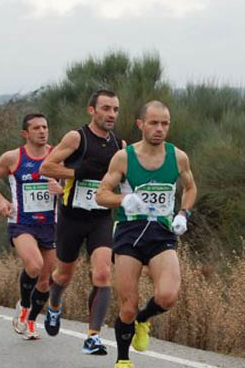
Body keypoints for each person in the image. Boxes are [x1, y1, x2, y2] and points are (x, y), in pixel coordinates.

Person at [95, 100, 197, 368]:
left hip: (162, 234)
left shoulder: (178, 157)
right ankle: (123, 360)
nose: (159, 129)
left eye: (165, 123)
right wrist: (123, 201)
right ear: (141, 124)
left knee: (168, 296)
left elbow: (190, 188)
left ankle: (144, 319)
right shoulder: (124, 157)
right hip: (129, 234)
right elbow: (101, 194)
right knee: (128, 305)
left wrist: (183, 214)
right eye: (153, 123)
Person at [40, 89, 124, 355]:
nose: (111, 114)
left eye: (115, 110)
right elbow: (46, 167)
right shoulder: (77, 137)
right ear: (92, 110)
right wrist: (76, 172)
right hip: (71, 218)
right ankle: (54, 305)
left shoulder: (120, 145)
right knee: (64, 274)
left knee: (102, 273)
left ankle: (93, 336)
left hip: (100, 217)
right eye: (106, 108)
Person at [0, 113, 61, 340]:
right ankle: (25, 305)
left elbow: (72, 182)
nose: (42, 131)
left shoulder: (57, 156)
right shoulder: (13, 157)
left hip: (50, 223)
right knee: (35, 266)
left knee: (47, 279)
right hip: (22, 223)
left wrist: (62, 188)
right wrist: (0, 200)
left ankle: (30, 321)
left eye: (45, 127)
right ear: (25, 134)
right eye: (36, 128)